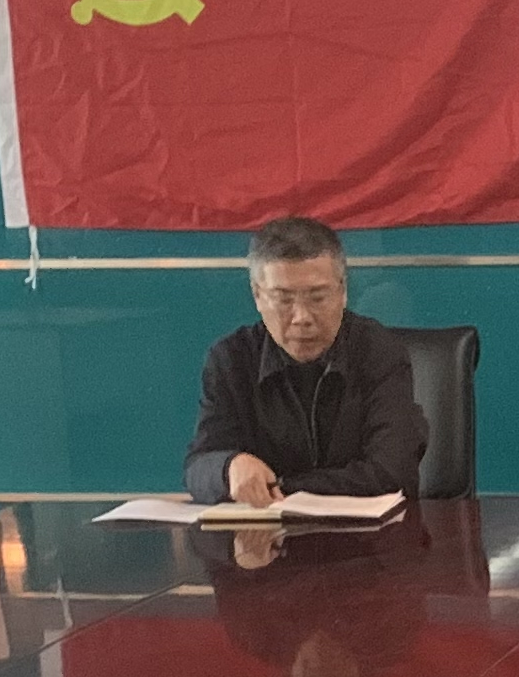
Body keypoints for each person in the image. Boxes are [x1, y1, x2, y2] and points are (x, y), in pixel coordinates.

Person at [184, 217, 429, 507]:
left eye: (317, 297)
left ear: (343, 291)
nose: (302, 317)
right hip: (262, 534)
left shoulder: (379, 352)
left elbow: (392, 473)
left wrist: (280, 486)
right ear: (257, 296)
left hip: (365, 534)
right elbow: (198, 467)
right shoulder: (231, 360)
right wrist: (228, 468)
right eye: (284, 299)